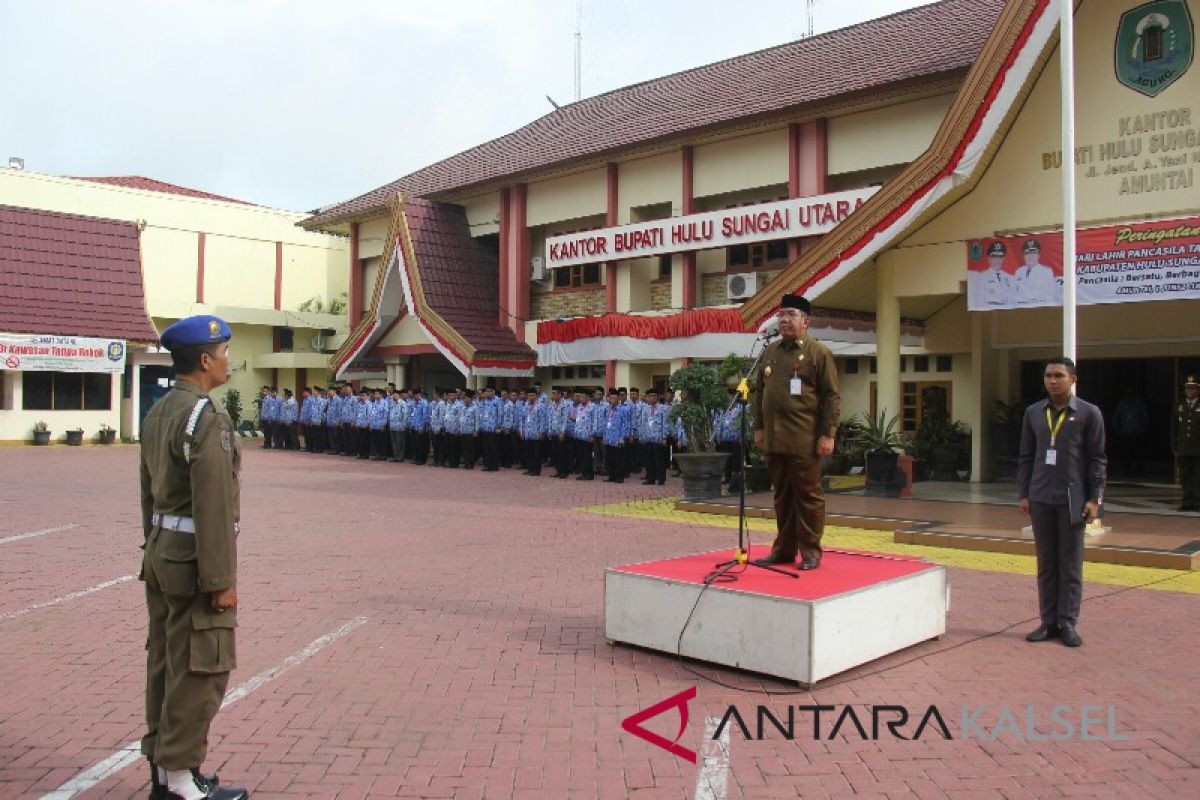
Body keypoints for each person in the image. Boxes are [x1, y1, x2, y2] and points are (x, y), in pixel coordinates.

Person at [139, 315, 249, 800]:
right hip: (194, 563)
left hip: (163, 553)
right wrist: (220, 579)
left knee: (165, 661)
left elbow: (148, 493)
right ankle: (182, 781)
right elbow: (213, 506)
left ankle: (165, 772)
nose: (228, 361)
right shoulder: (206, 418)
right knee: (202, 667)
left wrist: (153, 548)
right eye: (224, 353)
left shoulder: (159, 412)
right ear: (205, 361)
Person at [1017, 357, 1107, 648]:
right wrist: (1024, 493)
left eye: (1059, 375)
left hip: (1073, 499)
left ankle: (1067, 622)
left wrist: (1095, 499)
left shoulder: (1089, 414)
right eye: (1048, 376)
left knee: (1069, 564)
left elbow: (1097, 459)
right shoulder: (1033, 413)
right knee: (1046, 563)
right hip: (1041, 497)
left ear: (1073, 379)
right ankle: (1047, 621)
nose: (1052, 380)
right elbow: (1026, 456)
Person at [751, 294, 840, 570]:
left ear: (805, 321)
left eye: (791, 314)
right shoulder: (770, 352)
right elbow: (759, 394)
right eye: (782, 315)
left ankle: (811, 551)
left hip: (805, 438)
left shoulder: (818, 353)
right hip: (775, 439)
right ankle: (784, 550)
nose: (785, 320)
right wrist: (759, 427)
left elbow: (831, 397)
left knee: (808, 496)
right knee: (782, 495)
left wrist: (828, 434)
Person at [1171, 374, 1200, 511]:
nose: (1190, 391)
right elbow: (1174, 428)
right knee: (1185, 475)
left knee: (1197, 475)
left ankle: (1197, 501)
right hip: (1184, 447)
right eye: (1188, 388)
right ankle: (1187, 501)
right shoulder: (1179, 405)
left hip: (1198, 448)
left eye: (1193, 388)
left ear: (1197, 390)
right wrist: (1174, 446)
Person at [1112, 386, 1149, 478]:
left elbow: (1145, 417)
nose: (1129, 395)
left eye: (1131, 392)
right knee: (1126, 453)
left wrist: (1143, 428)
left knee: (1138, 453)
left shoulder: (1139, 403)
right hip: (1125, 432)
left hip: (1137, 432)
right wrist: (1117, 429)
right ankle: (1126, 471)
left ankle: (1138, 471)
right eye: (1127, 393)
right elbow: (1116, 417)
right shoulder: (1122, 404)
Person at [1012, 239, 1058, 306]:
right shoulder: (1019, 272)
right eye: (1027, 253)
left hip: (1038, 309)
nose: (1030, 256)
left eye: (1033, 253)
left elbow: (1050, 296)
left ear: (1038, 256)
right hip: (1020, 310)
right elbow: (1013, 294)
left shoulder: (1046, 272)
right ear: (1024, 256)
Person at [969, 241, 1014, 307]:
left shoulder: (1008, 277)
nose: (997, 260)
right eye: (994, 257)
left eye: (1000, 257)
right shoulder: (982, 277)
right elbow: (978, 302)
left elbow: (1012, 299)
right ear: (989, 259)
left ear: (1004, 259)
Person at [639, 389, 669, 485]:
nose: (651, 398)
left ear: (657, 397)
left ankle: (660, 478)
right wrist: (642, 436)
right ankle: (650, 478)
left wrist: (664, 437)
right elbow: (643, 423)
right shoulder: (645, 409)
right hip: (648, 437)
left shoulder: (663, 408)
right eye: (650, 396)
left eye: (653, 396)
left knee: (659, 459)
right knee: (648, 459)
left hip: (658, 438)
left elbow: (666, 423)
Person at [603, 390, 631, 483]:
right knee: (609, 458)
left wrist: (622, 437)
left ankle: (620, 477)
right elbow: (606, 423)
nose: (612, 400)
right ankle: (611, 476)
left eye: (614, 398)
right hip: (608, 437)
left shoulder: (623, 410)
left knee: (618, 459)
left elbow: (625, 424)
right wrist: (605, 436)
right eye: (610, 398)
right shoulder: (607, 409)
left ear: (618, 399)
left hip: (618, 438)